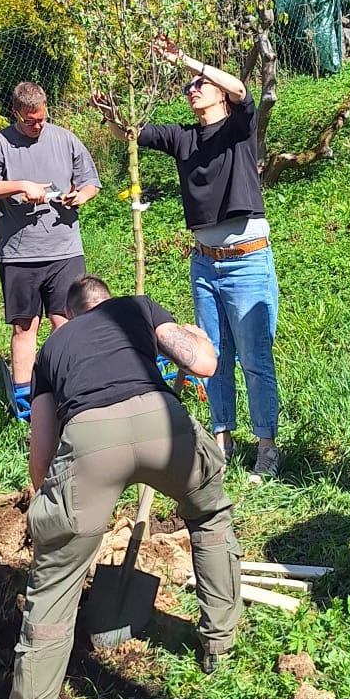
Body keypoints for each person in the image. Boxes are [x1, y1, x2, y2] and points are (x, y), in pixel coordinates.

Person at [0, 275, 243, 699]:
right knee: (209, 514)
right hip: (162, 422)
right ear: (107, 302)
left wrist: (59, 508)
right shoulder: (136, 309)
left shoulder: (53, 349)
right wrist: (187, 330)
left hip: (89, 441)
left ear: (70, 316)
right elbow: (204, 362)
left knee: (53, 585)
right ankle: (219, 645)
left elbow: (40, 462)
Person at [98, 36, 280, 480]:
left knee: (254, 359)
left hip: (247, 261)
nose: (193, 89)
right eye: (189, 86)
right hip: (205, 264)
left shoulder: (240, 127)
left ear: (218, 92)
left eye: (201, 84)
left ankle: (267, 448)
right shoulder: (183, 137)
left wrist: (184, 60)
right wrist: (112, 116)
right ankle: (221, 442)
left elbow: (240, 87)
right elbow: (133, 133)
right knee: (212, 355)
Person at [0, 82, 100, 423]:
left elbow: (90, 182)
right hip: (18, 253)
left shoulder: (65, 139)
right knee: (25, 327)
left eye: (42, 118)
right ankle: (25, 403)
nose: (37, 125)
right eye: (30, 120)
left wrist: (83, 196)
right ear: (16, 113)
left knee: (68, 321)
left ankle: (70, 390)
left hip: (64, 249)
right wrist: (21, 186)